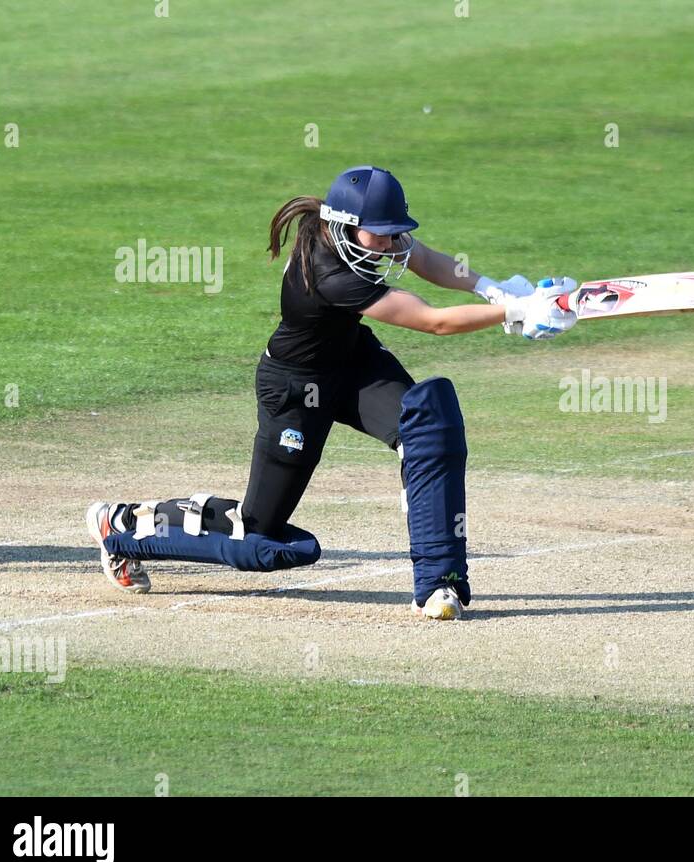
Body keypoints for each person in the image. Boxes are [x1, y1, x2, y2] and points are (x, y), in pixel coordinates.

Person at [85, 165, 578, 620]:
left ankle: (438, 585)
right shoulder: (329, 273)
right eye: (380, 235)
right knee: (262, 538)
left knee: (428, 427)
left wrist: (496, 290)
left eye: (393, 233)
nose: (390, 246)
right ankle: (125, 527)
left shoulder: (359, 234)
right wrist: (515, 314)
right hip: (295, 390)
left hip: (355, 364)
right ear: (344, 225)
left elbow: (423, 257)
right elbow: (434, 322)